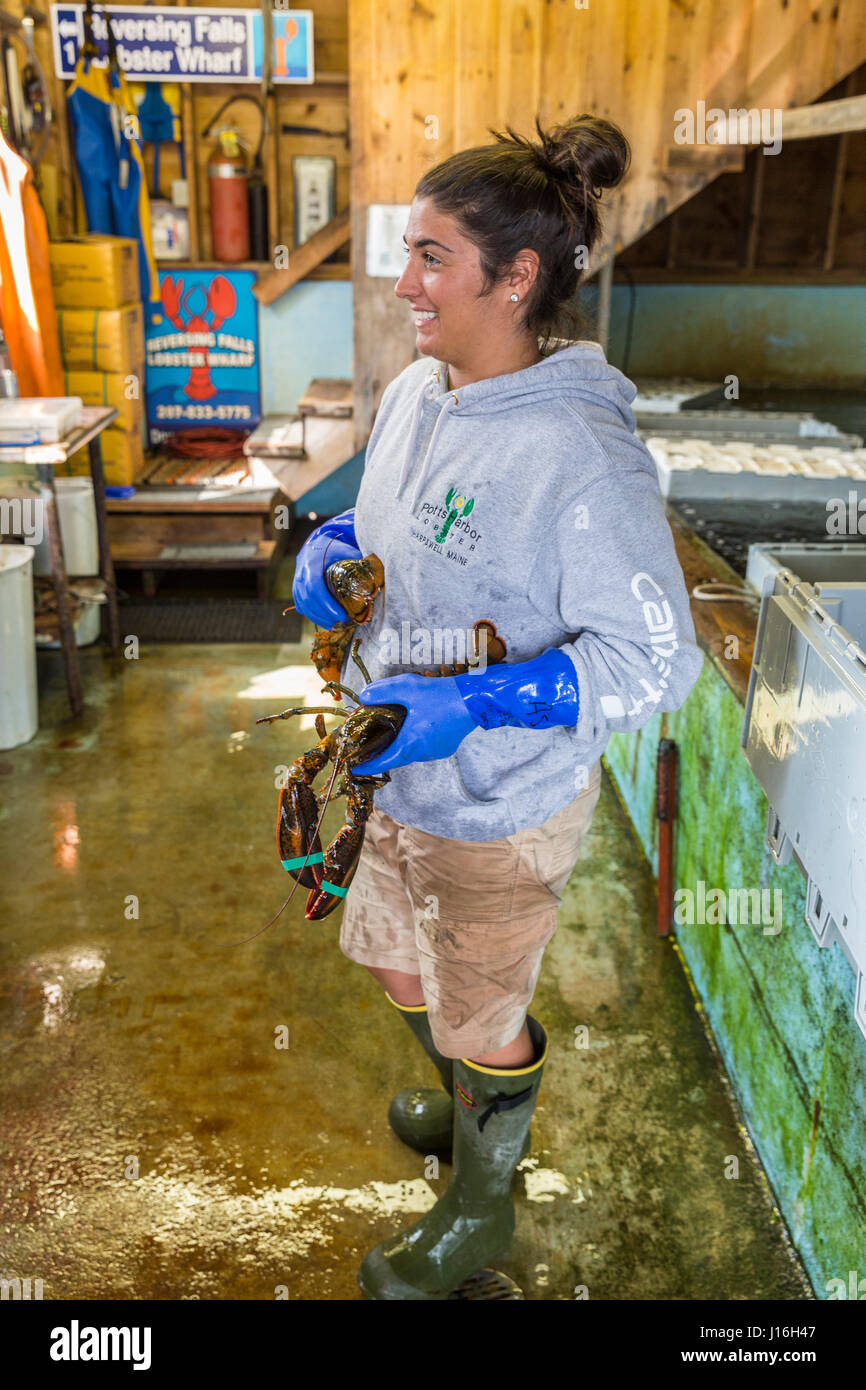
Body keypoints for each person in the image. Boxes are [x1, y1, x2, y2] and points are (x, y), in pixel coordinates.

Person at [292, 112, 704, 1300]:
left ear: (515, 277)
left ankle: (482, 1201)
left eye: (431, 257)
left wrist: (477, 704)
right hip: (388, 768)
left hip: (493, 805)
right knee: (398, 972)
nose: (404, 279)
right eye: (407, 249)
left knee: (480, 1014)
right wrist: (330, 553)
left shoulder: (582, 455)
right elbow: (380, 535)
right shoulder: (424, 391)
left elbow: (653, 657)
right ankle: (475, 1107)